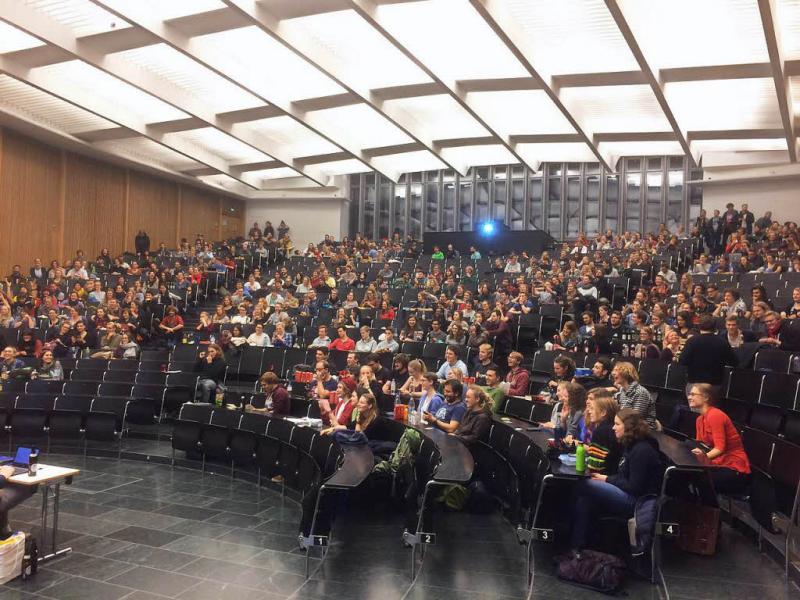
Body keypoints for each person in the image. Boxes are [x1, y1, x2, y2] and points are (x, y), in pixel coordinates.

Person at [569, 409, 665, 552]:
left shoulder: (642, 451)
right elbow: (622, 476)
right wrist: (606, 479)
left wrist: (607, 479)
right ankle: (577, 546)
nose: (613, 427)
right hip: (625, 493)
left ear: (629, 427)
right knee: (585, 500)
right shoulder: (631, 445)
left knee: (583, 484)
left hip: (636, 502)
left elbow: (634, 487)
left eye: (617, 424)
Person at [688, 383, 751, 495]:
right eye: (689, 394)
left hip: (733, 467)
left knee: (700, 480)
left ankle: (706, 510)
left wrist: (703, 456)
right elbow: (701, 446)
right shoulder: (699, 420)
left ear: (706, 397)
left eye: (693, 394)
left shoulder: (715, 415)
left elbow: (720, 448)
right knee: (685, 475)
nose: (689, 397)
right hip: (717, 463)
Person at [679, 315, 738, 388]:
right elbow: (734, 362)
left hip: (694, 383)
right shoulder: (722, 342)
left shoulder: (692, 341)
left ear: (699, 326)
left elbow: (682, 360)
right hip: (715, 383)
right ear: (714, 328)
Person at [584, 389, 622, 475]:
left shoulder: (600, 431)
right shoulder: (612, 427)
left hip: (604, 479)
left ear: (603, 412)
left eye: (592, 409)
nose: (589, 411)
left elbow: (594, 468)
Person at [610, 361, 657, 430]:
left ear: (626, 373)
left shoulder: (640, 392)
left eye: (616, 370)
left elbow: (636, 419)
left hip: (642, 430)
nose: (613, 373)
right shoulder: (622, 391)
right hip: (625, 426)